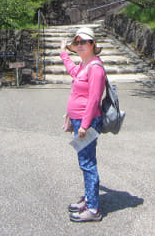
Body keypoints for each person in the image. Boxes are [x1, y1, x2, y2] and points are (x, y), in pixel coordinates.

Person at [60, 26, 106, 223]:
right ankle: (89, 198)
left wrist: (84, 126)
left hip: (87, 121)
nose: (79, 46)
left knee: (88, 163)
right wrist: (63, 52)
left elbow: (94, 99)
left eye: (83, 42)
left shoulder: (95, 68)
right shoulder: (84, 64)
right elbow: (72, 71)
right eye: (76, 42)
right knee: (84, 162)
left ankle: (93, 208)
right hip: (80, 120)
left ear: (92, 44)